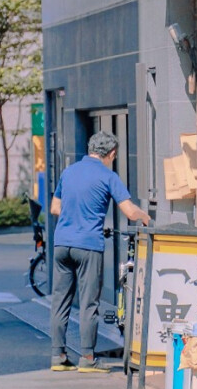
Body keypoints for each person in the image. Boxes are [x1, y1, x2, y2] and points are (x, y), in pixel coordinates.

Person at [49, 130, 151, 372]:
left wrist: (75, 218)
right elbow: (129, 211)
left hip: (61, 244)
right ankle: (87, 357)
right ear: (111, 153)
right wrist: (146, 217)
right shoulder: (108, 175)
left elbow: (55, 208)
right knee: (88, 302)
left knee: (60, 300)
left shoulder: (69, 171)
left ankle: (58, 356)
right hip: (88, 246)